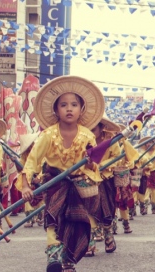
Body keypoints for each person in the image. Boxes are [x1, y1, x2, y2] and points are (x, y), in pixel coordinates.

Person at [20, 76, 105, 272]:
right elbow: (32, 161)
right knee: (52, 220)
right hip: (54, 184)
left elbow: (94, 167)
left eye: (74, 104)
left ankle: (68, 261)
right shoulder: (47, 135)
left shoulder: (87, 135)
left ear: (81, 109)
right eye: (64, 105)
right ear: (56, 110)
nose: (69, 108)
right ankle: (53, 258)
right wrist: (25, 185)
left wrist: (91, 162)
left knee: (75, 223)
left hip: (78, 188)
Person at [86, 114, 123, 257]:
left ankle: (108, 236)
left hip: (105, 179)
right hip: (87, 179)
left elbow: (117, 157)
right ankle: (90, 243)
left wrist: (102, 165)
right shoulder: (83, 140)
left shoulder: (111, 141)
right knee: (88, 210)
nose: (91, 132)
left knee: (107, 209)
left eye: (94, 129)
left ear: (102, 128)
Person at [13, 132, 43, 228]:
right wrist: (15, 161)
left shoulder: (40, 152)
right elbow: (20, 169)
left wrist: (39, 178)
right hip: (28, 178)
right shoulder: (24, 155)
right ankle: (30, 219)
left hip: (40, 177)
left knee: (41, 198)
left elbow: (45, 166)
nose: (31, 147)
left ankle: (40, 217)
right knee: (27, 198)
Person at [137, 138, 155, 214]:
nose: (149, 144)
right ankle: (144, 207)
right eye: (147, 143)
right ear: (145, 144)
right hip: (145, 173)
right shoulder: (142, 153)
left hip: (154, 173)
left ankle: (154, 208)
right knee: (145, 190)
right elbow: (139, 163)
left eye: (151, 142)